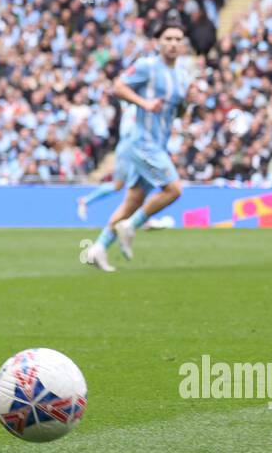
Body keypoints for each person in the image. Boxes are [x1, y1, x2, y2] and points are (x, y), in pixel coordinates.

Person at [84, 20, 199, 272]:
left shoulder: (181, 75)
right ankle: (132, 225)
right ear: (158, 43)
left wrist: (189, 102)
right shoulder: (147, 66)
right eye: (168, 38)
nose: (173, 44)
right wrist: (143, 103)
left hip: (158, 142)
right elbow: (118, 87)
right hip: (142, 141)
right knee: (174, 190)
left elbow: (177, 112)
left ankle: (98, 248)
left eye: (178, 39)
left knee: (133, 199)